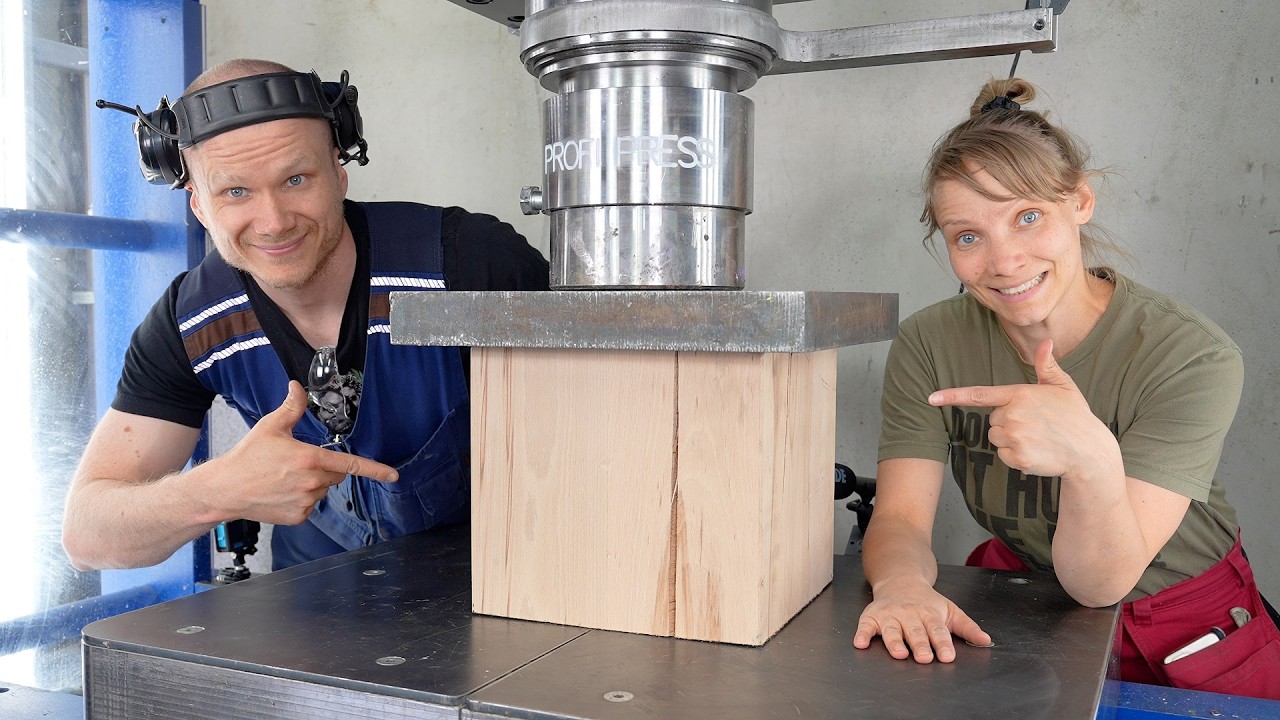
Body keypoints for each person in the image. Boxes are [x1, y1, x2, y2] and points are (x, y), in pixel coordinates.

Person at [852, 77, 1280, 699]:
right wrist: (902, 587)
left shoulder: (1190, 355)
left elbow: (1101, 582)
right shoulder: (929, 343)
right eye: (967, 236)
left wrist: (1090, 456)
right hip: (1031, 603)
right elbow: (899, 518)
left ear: (1080, 201)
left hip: (1181, 620)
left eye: (1027, 217)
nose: (1004, 261)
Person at [62, 58, 549, 572]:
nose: (273, 222)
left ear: (338, 173)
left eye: (296, 179)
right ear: (199, 206)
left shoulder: (466, 263)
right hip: (318, 599)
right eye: (235, 192)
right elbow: (87, 537)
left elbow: (600, 443)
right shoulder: (193, 323)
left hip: (503, 577)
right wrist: (220, 490)